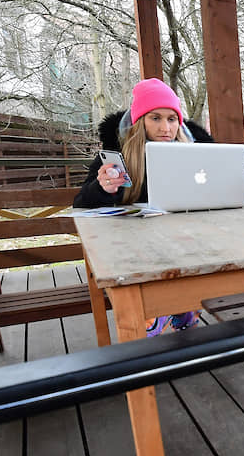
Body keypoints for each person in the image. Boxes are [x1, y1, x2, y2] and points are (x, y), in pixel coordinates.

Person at [74, 78, 213, 336]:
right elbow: (81, 203)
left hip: (185, 241)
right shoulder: (118, 151)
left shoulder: (198, 152)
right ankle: (166, 313)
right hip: (134, 248)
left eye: (172, 119)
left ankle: (179, 310)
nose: (165, 128)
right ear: (140, 121)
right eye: (155, 118)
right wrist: (103, 188)